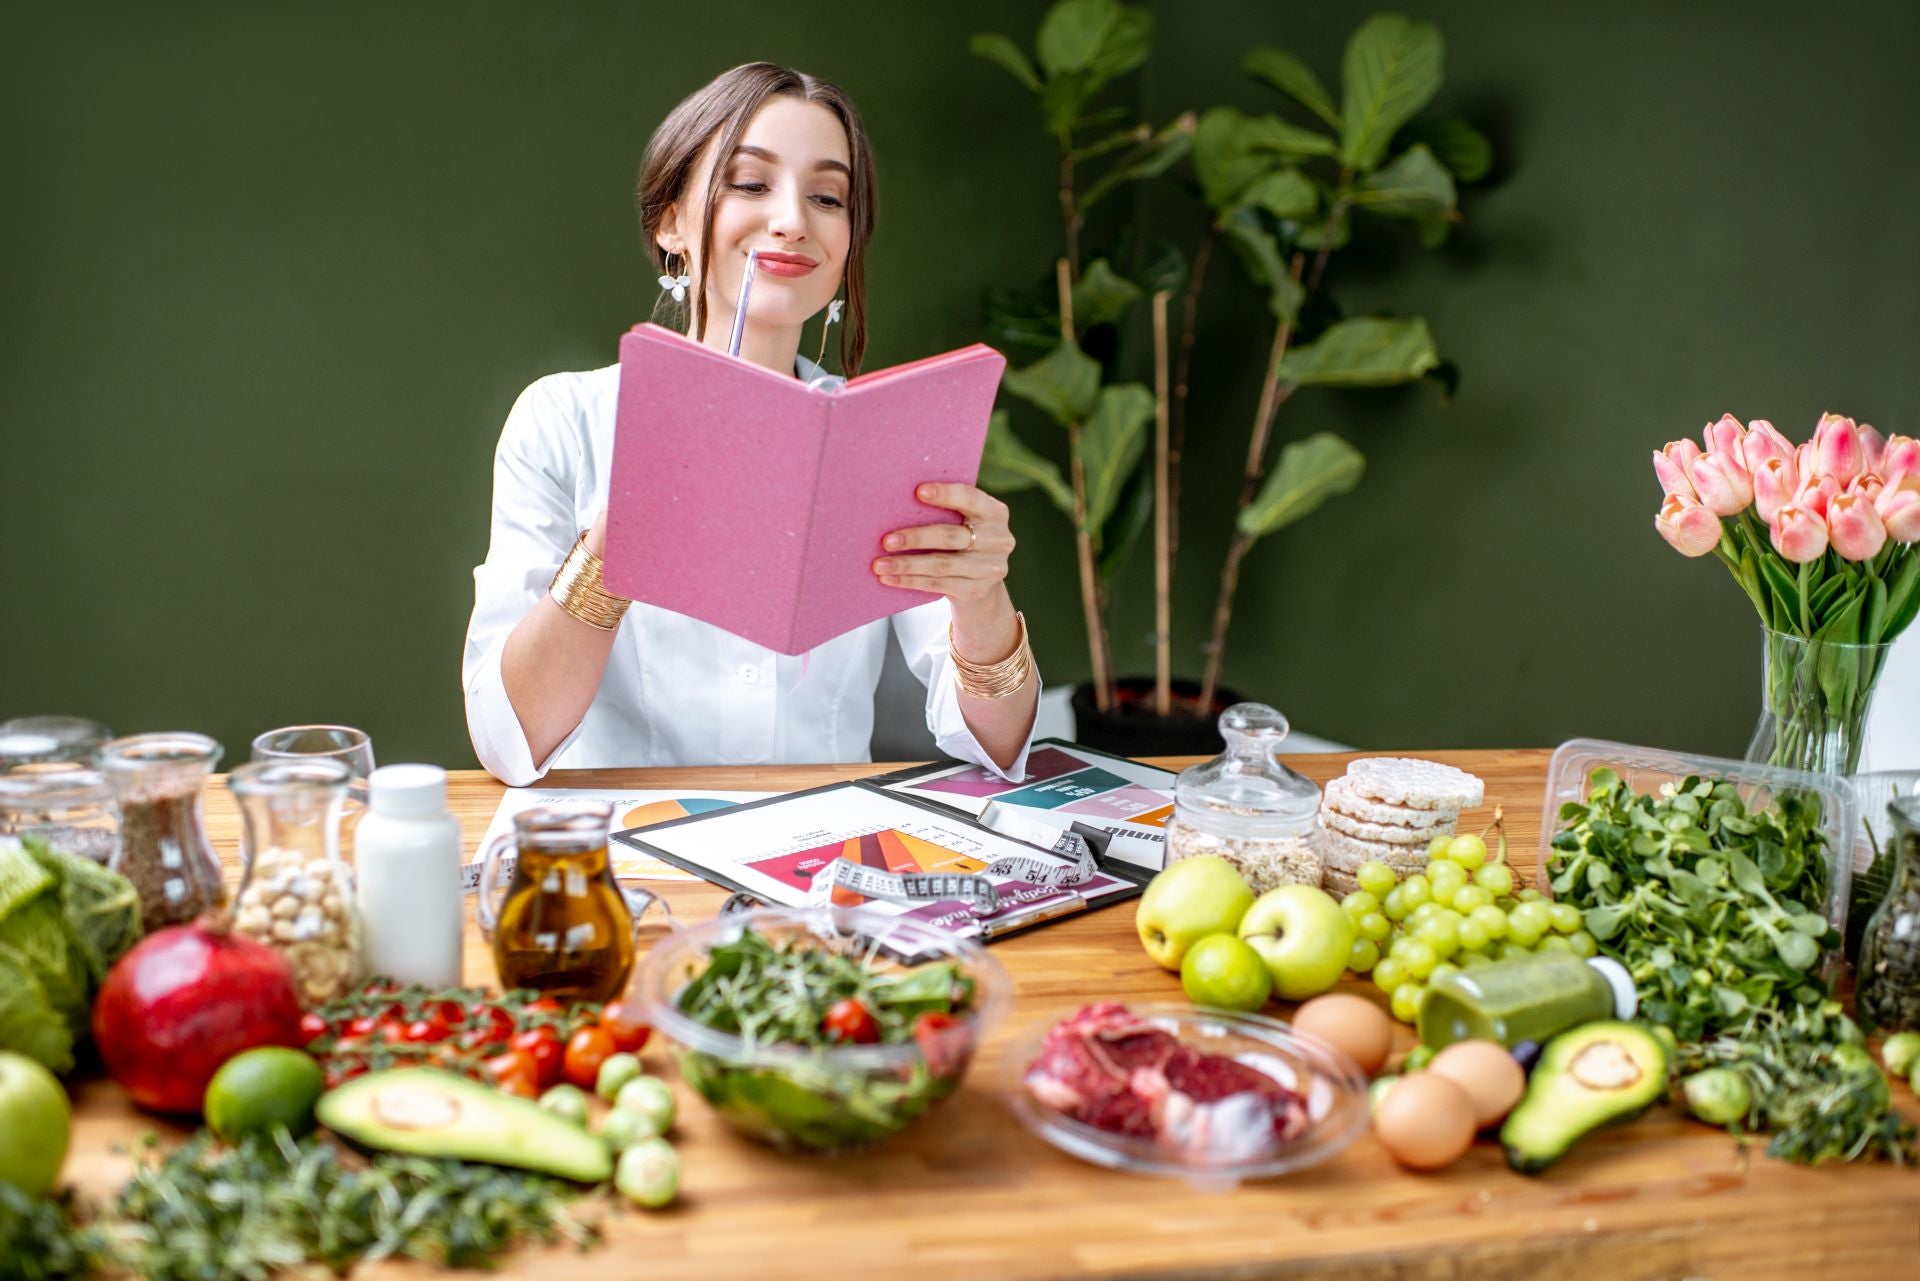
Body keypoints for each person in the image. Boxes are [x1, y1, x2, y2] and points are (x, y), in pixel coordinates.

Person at [463, 63, 1039, 787]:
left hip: (824, 865)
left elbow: (1001, 744)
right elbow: (507, 739)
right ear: (672, 221)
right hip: (624, 865)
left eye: (828, 196)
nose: (793, 219)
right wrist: (616, 551)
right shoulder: (562, 422)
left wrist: (982, 597)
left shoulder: (887, 439)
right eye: (750, 182)